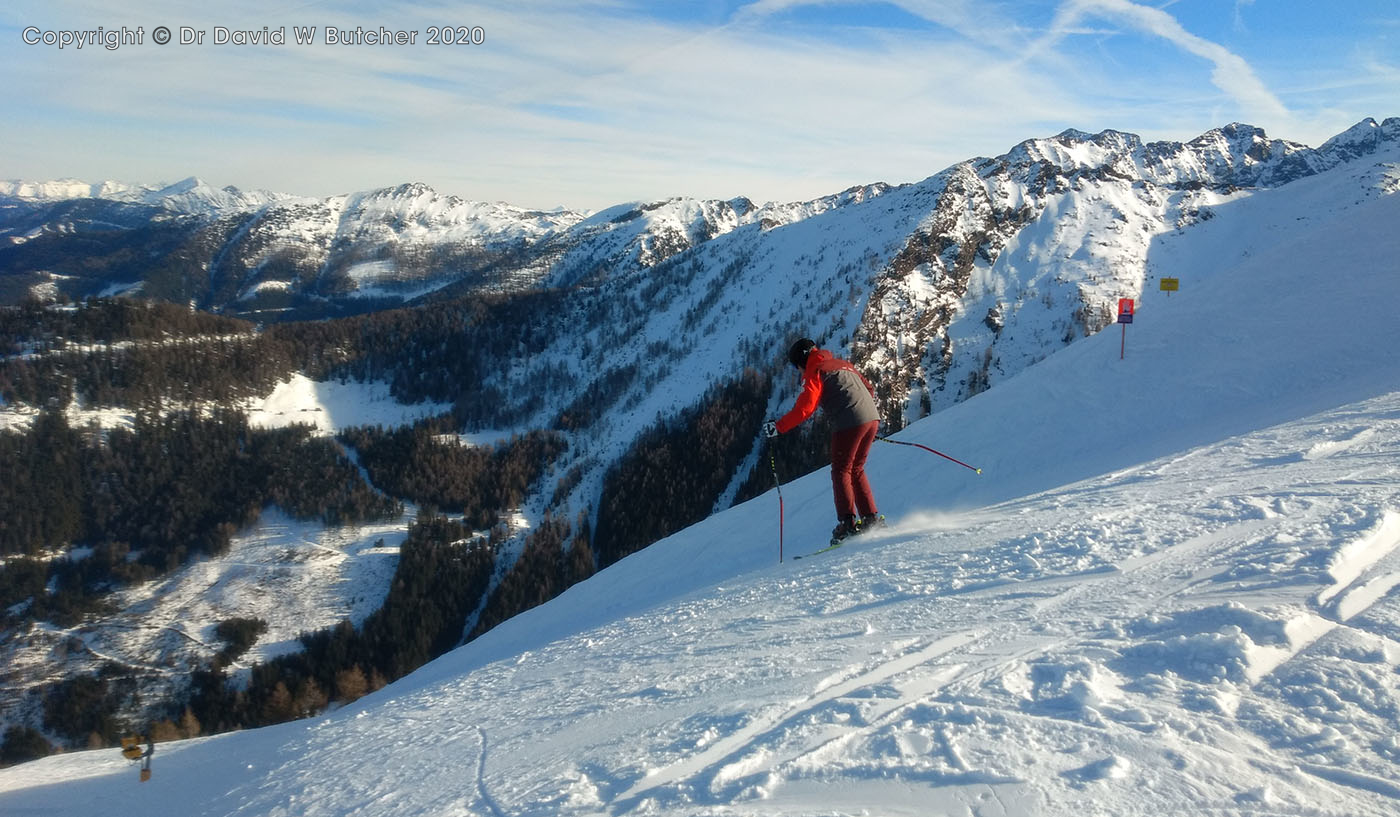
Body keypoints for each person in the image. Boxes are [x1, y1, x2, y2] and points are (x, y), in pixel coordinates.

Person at [764, 338, 883, 543]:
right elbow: (869, 389)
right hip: (872, 417)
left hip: (849, 421)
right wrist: (864, 417)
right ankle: (871, 519)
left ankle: (847, 525)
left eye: (796, 367)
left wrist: (779, 427)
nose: (798, 371)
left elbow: (805, 408)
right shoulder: (843, 364)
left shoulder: (816, 370)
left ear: (801, 361)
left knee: (841, 470)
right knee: (856, 469)